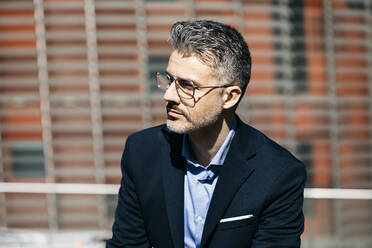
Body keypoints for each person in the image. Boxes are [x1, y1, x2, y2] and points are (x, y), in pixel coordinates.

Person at [106, 20, 306, 248]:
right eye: (170, 80)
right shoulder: (142, 152)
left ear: (229, 97)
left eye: (187, 86)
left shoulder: (279, 173)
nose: (169, 95)